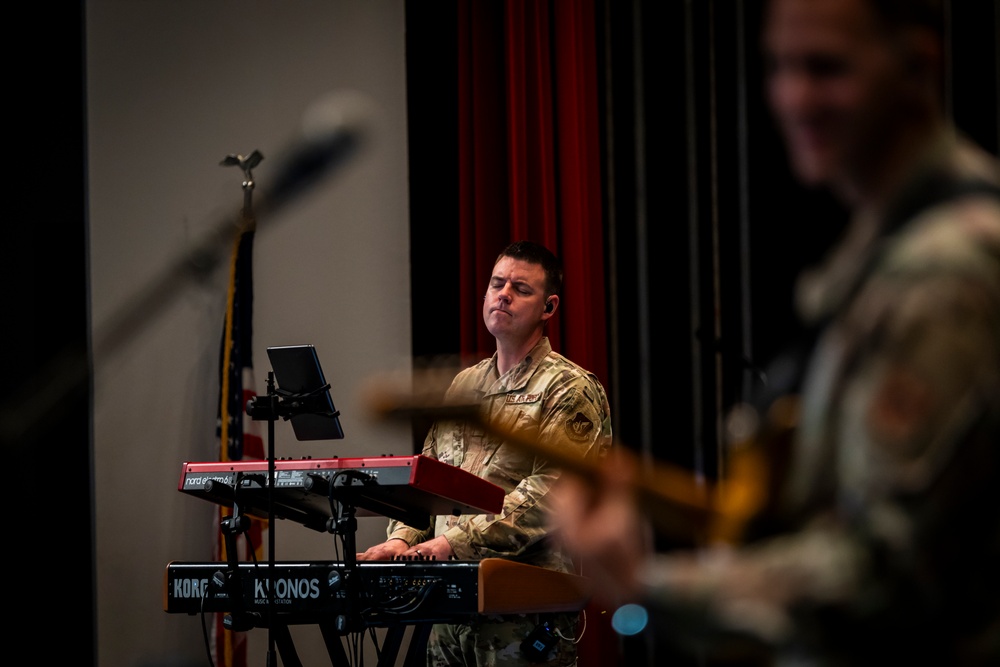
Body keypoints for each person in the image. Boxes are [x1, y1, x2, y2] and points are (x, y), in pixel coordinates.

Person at [550, 0, 1000, 666]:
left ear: (917, 63)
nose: (795, 97)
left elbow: (885, 577)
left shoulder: (943, 274)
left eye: (826, 68)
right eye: (780, 67)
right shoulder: (881, 252)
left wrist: (650, 585)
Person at [358, 240, 613, 667]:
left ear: (548, 308)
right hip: (448, 609)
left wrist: (450, 543)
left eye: (520, 288)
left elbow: (550, 498)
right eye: (497, 283)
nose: (503, 294)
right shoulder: (463, 387)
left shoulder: (569, 388)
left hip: (521, 614)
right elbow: (429, 478)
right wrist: (401, 539)